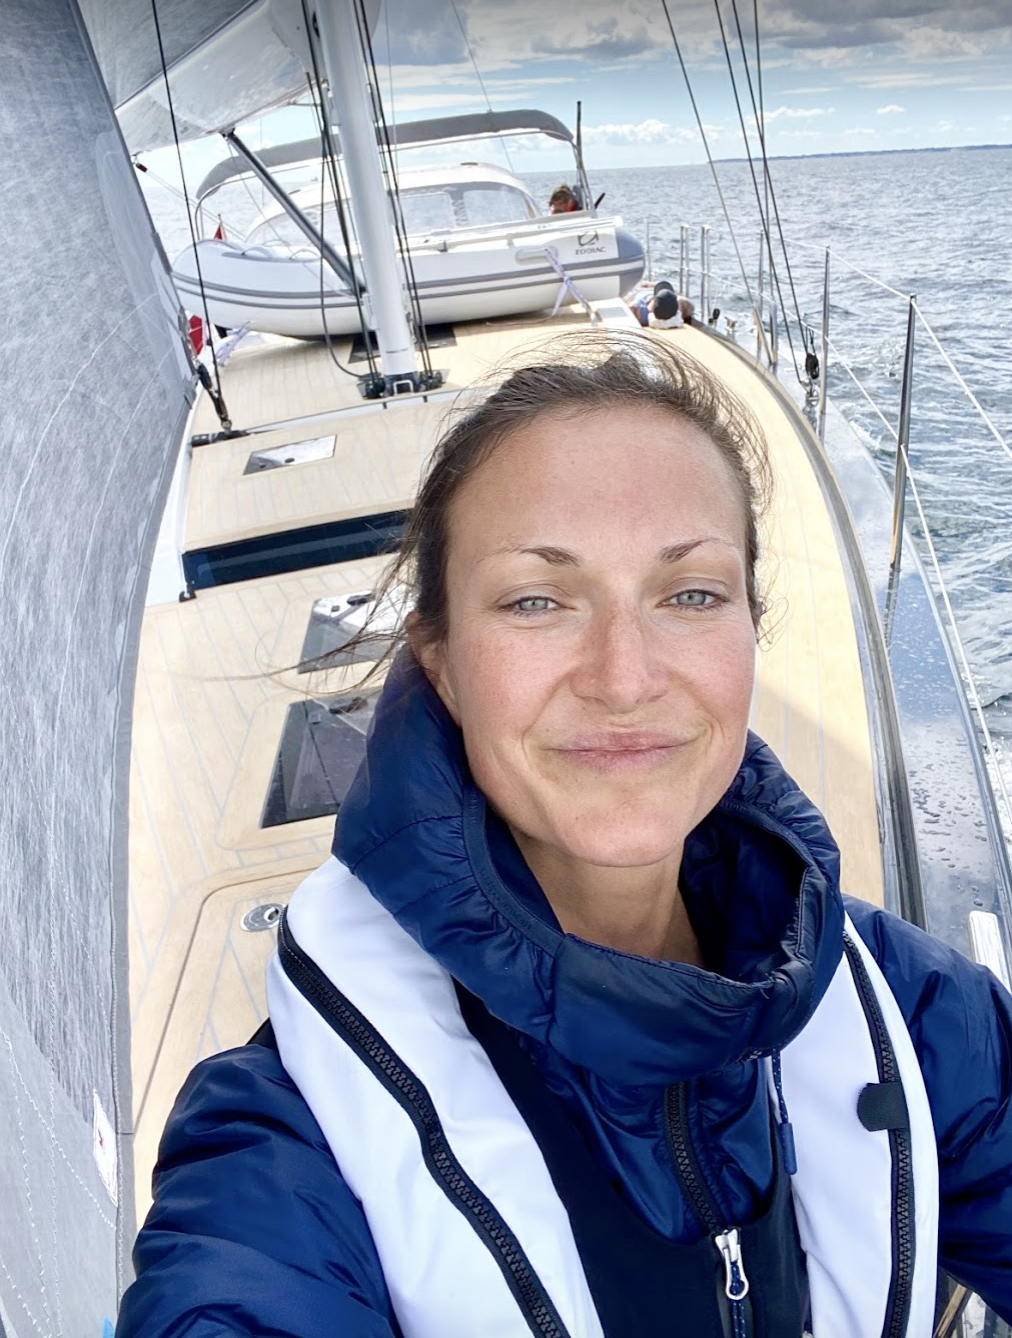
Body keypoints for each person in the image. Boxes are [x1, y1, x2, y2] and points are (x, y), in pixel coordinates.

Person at [117, 332, 1012, 1337]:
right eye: (536, 601)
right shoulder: (290, 1141)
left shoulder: (915, 1016)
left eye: (690, 594)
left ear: (749, 631)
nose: (623, 677)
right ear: (442, 662)